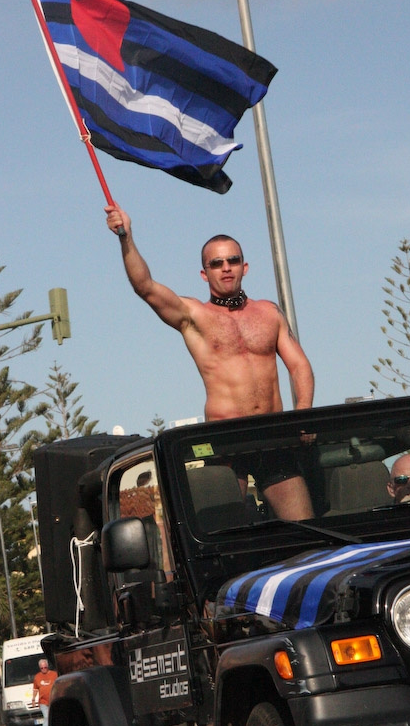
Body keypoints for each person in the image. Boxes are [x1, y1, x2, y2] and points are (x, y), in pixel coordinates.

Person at [105, 203, 315, 520]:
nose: (226, 268)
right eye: (217, 263)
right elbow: (145, 286)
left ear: (245, 267)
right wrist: (126, 237)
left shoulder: (269, 313)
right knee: (225, 534)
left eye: (233, 260)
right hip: (224, 441)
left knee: (306, 528)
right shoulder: (195, 316)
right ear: (205, 273)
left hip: (273, 436)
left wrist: (304, 413)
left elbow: (300, 366)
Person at [31, 659, 57, 726]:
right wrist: (33, 699)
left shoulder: (54, 674)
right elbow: (35, 689)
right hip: (43, 701)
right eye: (42, 668)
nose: (44, 669)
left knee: (54, 717)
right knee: (46, 717)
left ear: (47, 666)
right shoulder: (37, 677)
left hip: (53, 699)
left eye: (45, 667)